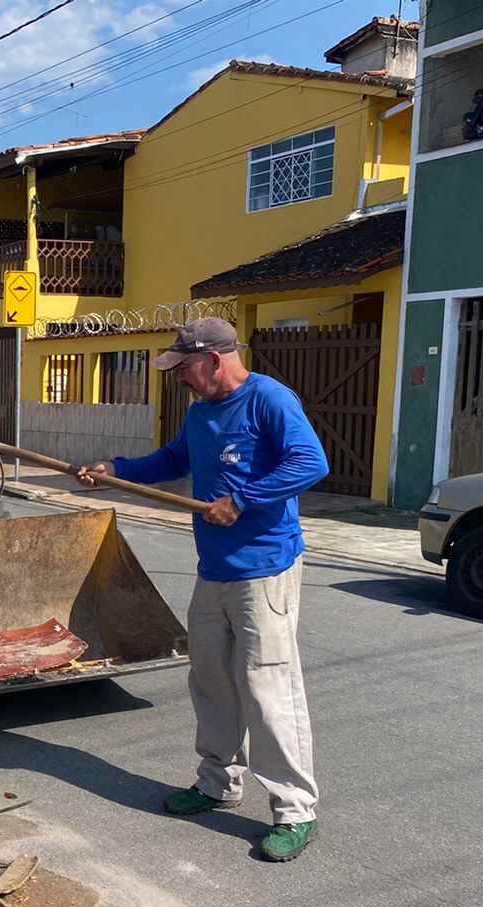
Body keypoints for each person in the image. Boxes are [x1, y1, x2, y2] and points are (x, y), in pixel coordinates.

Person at [78, 318, 329, 862]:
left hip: (264, 569)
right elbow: (173, 460)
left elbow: (311, 462)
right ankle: (218, 783)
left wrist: (241, 500)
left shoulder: (269, 400)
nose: (180, 379)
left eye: (185, 368)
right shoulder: (201, 413)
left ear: (215, 360)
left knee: (267, 686)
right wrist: (115, 468)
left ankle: (294, 809)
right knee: (210, 678)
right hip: (213, 569)